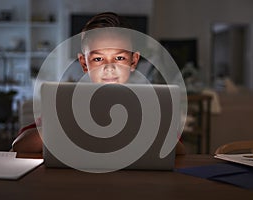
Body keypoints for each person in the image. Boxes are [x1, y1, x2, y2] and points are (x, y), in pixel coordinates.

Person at [12, 12, 185, 154]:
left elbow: (179, 151)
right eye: (98, 59)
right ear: (84, 63)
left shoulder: (149, 103)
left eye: (119, 58)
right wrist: (64, 124)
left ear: (133, 61)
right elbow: (19, 145)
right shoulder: (68, 102)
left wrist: (149, 128)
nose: (109, 67)